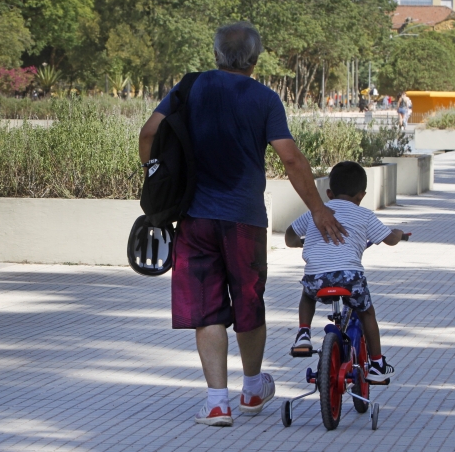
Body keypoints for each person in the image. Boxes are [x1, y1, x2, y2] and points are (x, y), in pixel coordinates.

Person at [139, 22, 346, 427]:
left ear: (216, 54)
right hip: (244, 222)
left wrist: (155, 177)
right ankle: (252, 388)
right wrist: (319, 209)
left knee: (206, 310)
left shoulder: (190, 87)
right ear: (254, 59)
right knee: (249, 304)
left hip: (195, 218)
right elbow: (291, 158)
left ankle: (217, 402)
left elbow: (149, 132)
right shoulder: (265, 99)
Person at [284, 161, 404, 382]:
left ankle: (303, 334)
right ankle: (377, 364)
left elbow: (289, 236)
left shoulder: (316, 212)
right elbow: (390, 240)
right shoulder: (365, 215)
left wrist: (301, 243)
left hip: (316, 278)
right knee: (367, 312)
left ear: (329, 193)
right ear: (361, 196)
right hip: (350, 278)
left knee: (307, 295)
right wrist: (398, 233)